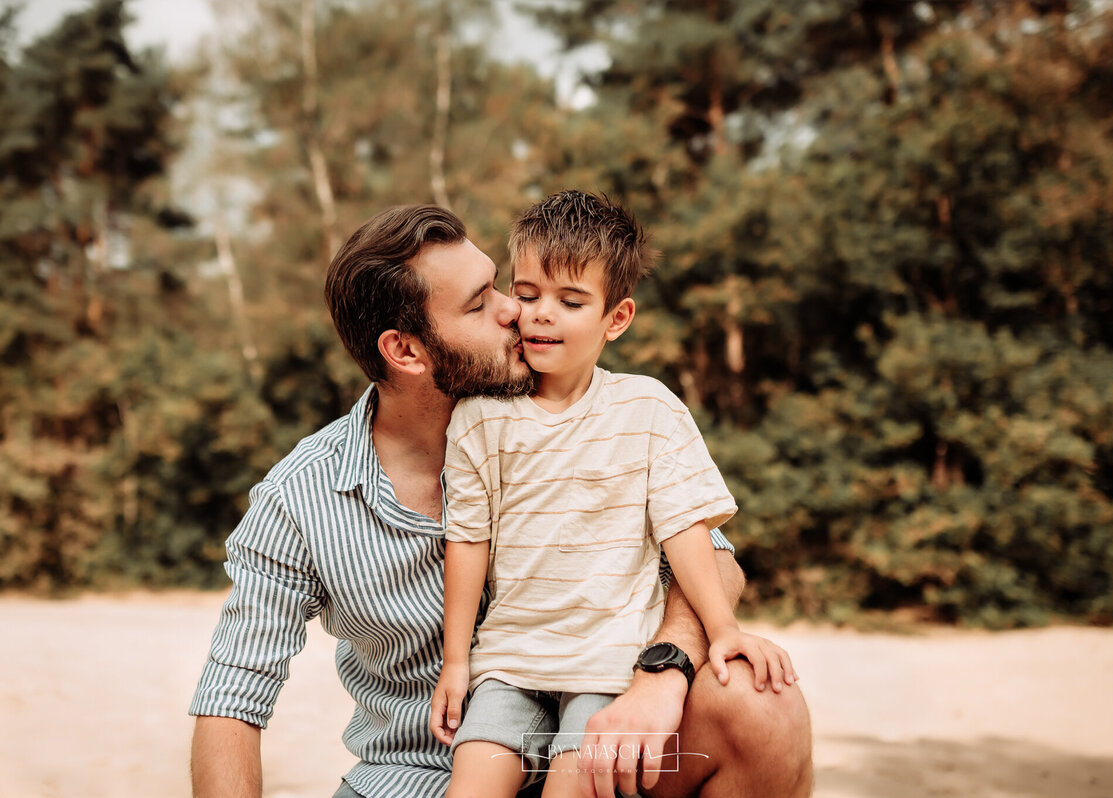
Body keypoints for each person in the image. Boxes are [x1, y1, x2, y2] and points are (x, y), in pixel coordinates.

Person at [189, 203, 814, 798]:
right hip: (422, 771)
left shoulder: (592, 410)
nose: (515, 311)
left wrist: (666, 666)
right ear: (405, 351)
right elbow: (232, 696)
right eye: (479, 304)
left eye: (499, 287)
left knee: (763, 703)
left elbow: (713, 556)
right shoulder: (301, 497)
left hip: (603, 734)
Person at [429, 191, 798, 798]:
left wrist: (723, 628)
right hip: (508, 667)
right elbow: (468, 540)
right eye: (527, 294)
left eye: (571, 301)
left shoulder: (648, 409)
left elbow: (686, 530)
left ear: (616, 318)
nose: (542, 314)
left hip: (608, 671)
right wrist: (455, 662)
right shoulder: (478, 419)